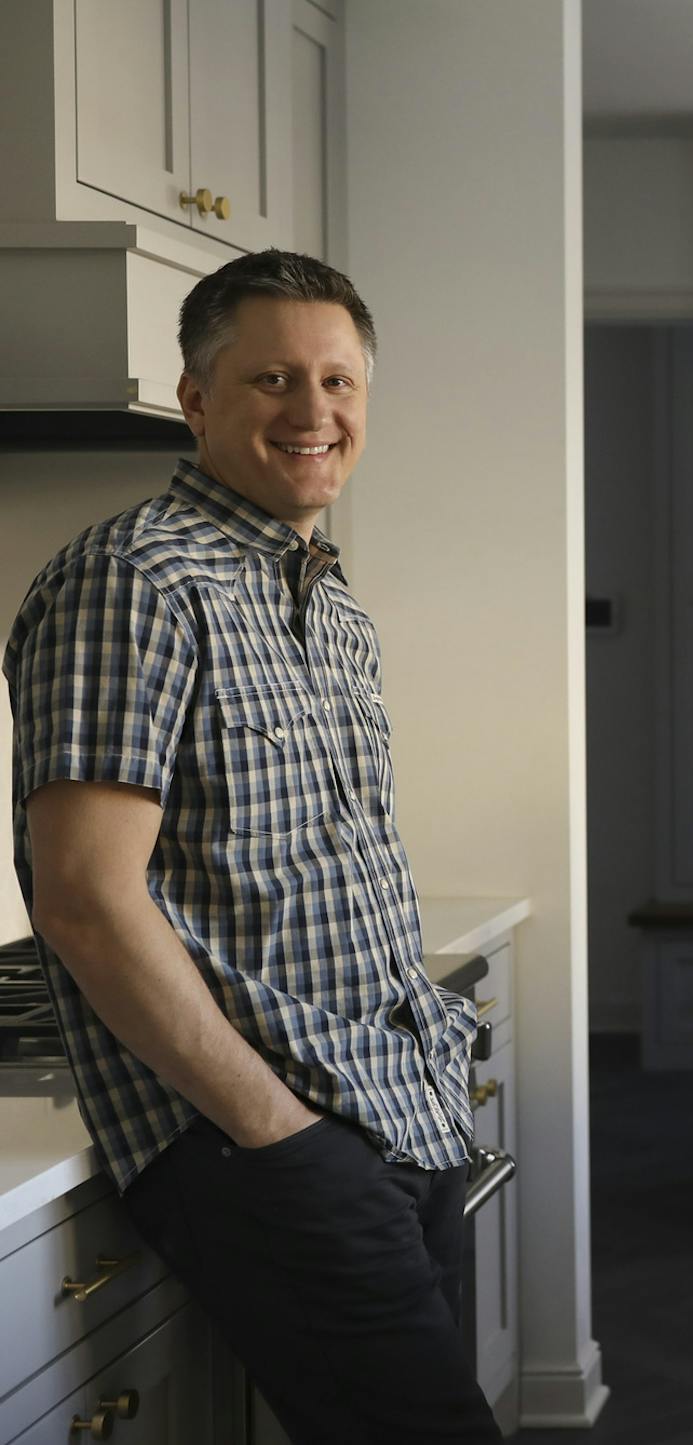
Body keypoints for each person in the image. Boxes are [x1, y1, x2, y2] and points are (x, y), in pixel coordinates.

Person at [5, 250, 501, 1443]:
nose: (313, 411)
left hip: (396, 1101)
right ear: (196, 397)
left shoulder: (325, 599)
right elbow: (79, 897)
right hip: (269, 1134)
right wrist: (271, 1124)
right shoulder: (135, 581)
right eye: (274, 377)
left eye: (339, 381)